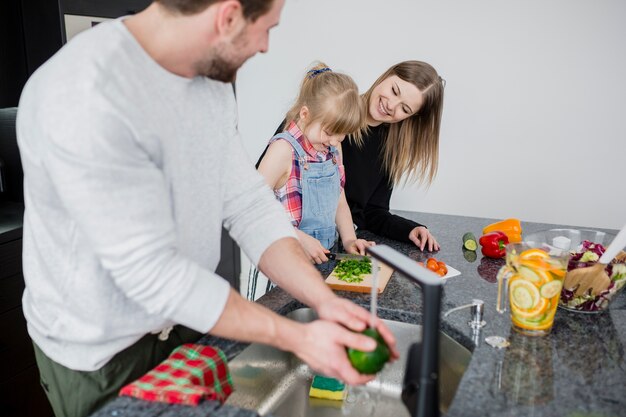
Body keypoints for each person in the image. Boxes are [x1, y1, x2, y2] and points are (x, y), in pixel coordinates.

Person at [16, 1, 397, 416]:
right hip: (100, 354)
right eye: (266, 29)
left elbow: (248, 203)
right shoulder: (85, 95)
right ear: (227, 15)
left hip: (185, 323)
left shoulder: (208, 85)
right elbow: (152, 275)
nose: (266, 46)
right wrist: (297, 336)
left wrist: (321, 299)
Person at [257, 63, 373, 264]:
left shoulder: (333, 149)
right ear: (305, 114)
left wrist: (349, 240)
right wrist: (298, 238)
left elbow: (339, 200)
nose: (334, 142)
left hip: (320, 260)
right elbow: (252, 211)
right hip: (281, 264)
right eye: (329, 132)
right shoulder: (283, 150)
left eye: (342, 136)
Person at [342, 61, 445, 252]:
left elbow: (373, 212)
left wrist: (410, 229)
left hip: (349, 246)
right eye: (394, 90)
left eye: (405, 109)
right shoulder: (329, 110)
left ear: (411, 117)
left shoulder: (389, 146)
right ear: (386, 75)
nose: (390, 105)